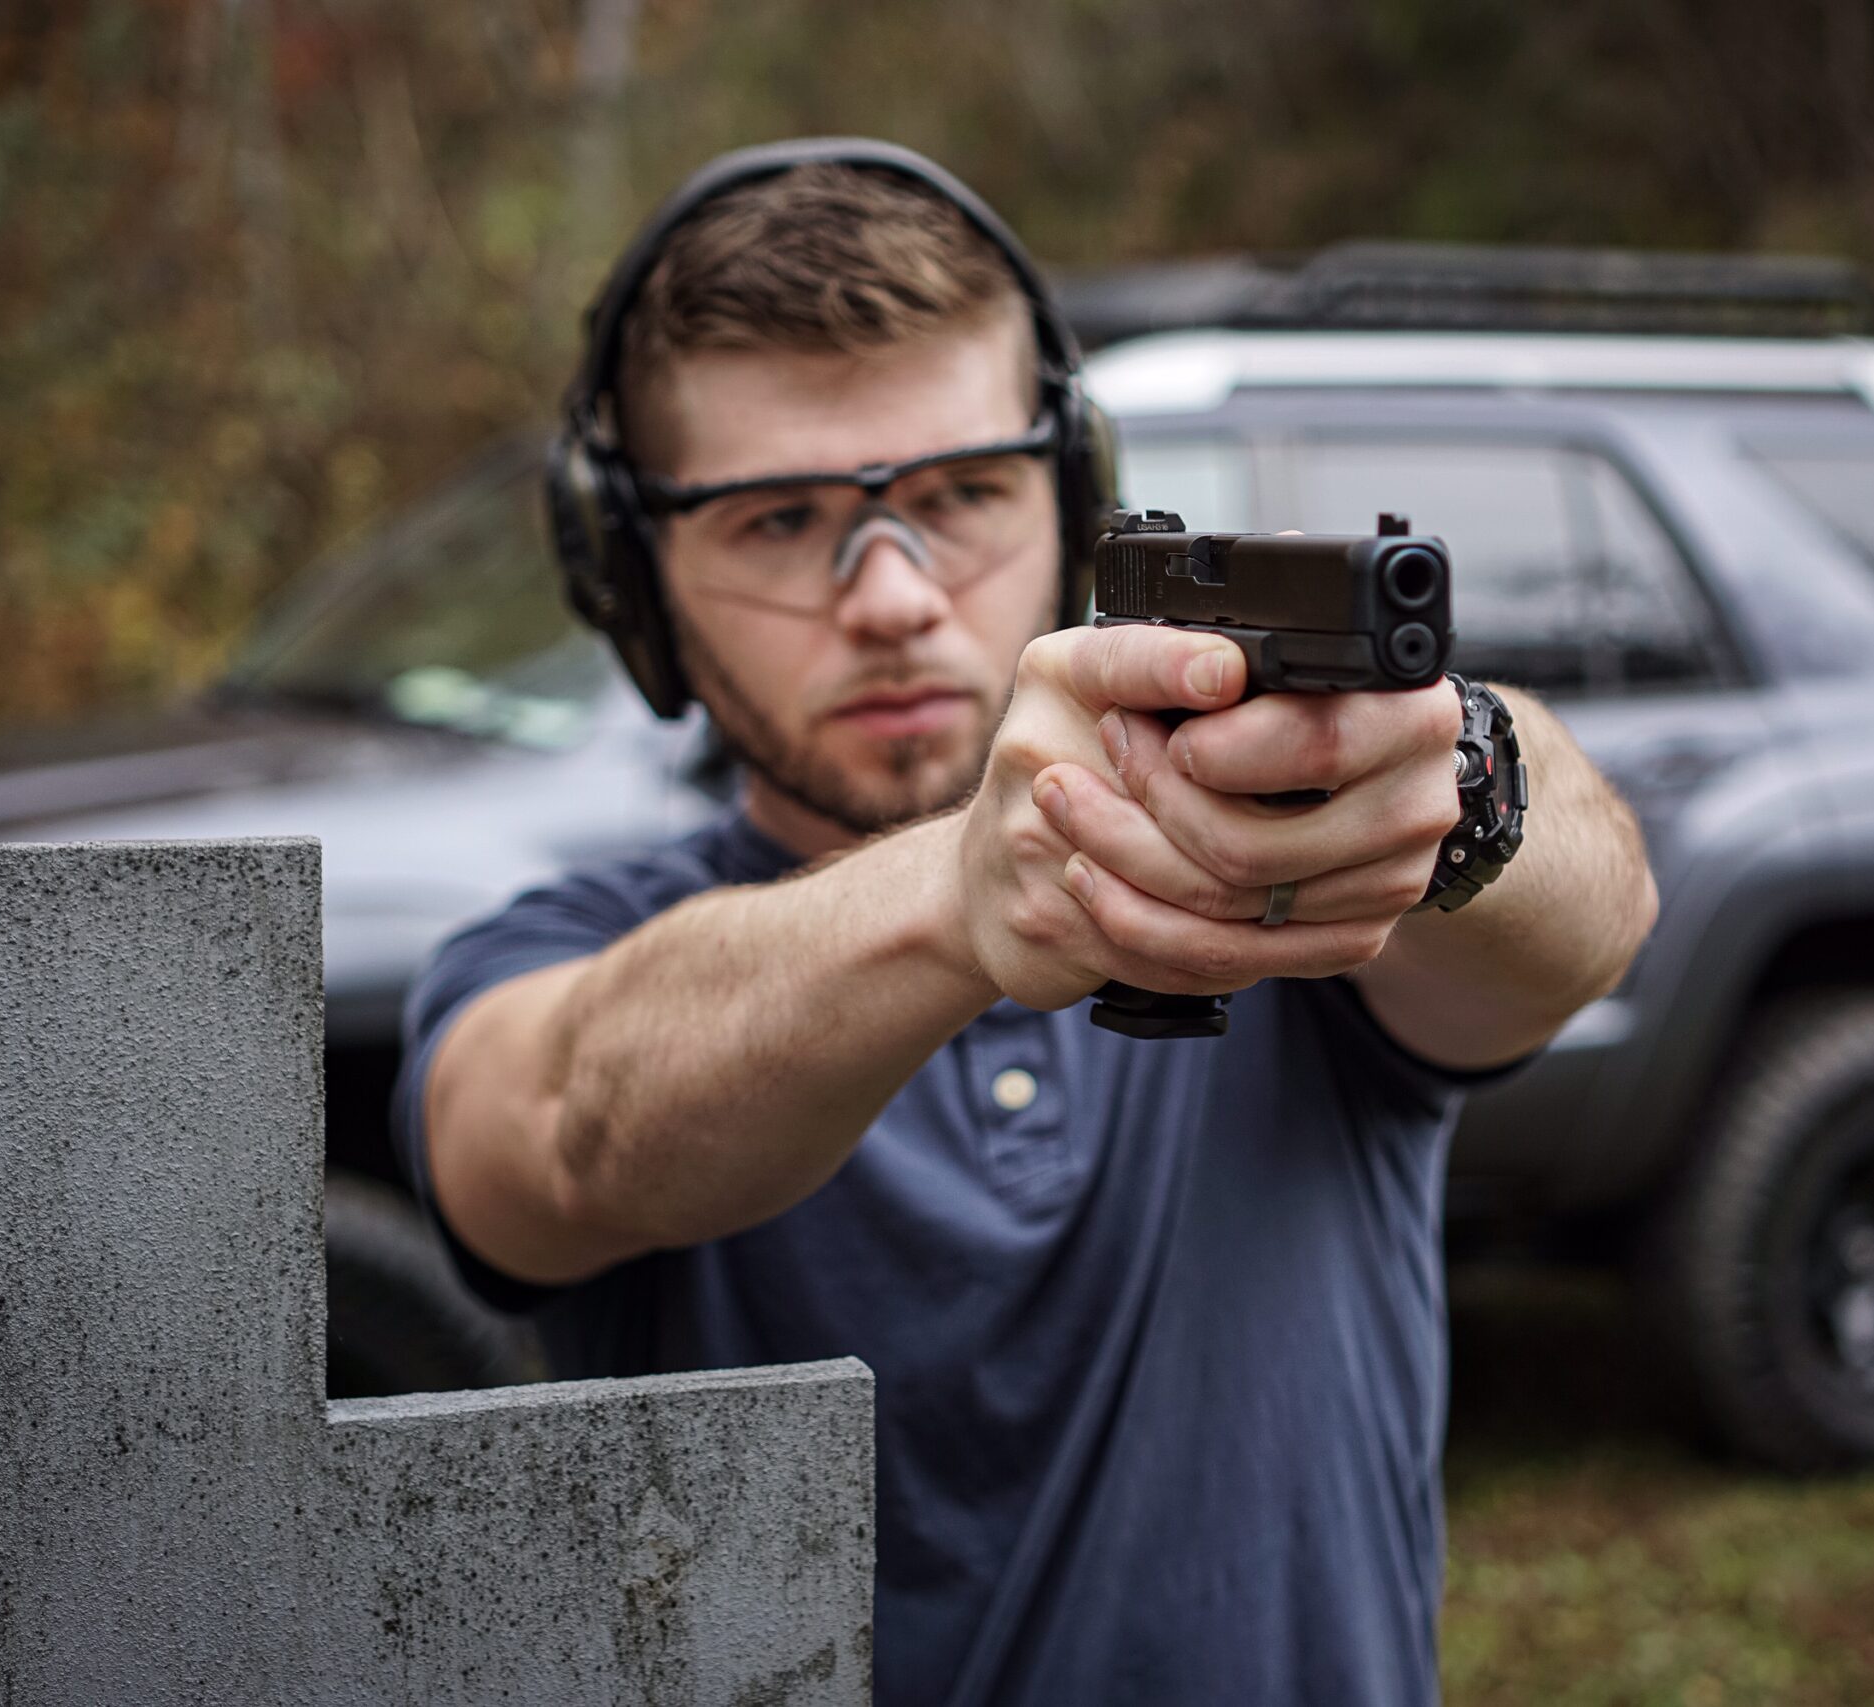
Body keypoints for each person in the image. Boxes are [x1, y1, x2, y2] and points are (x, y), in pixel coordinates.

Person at [394, 138, 1658, 1706]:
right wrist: (958, 893)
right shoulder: (572, 948)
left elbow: (1598, 916)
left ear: (1072, 504)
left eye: (962, 495)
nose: (895, 596)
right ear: (634, 583)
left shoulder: (1291, 881)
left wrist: (1456, 777)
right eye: (780, 522)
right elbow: (560, 1128)